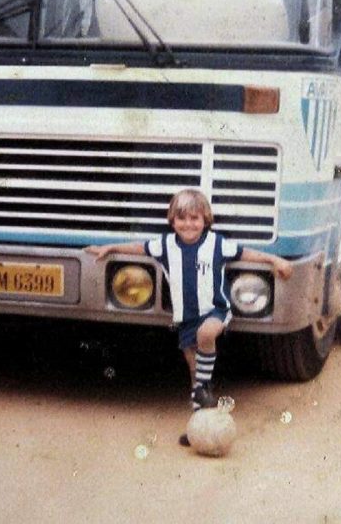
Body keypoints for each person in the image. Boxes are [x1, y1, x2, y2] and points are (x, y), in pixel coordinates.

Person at [85, 187, 293, 446]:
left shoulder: (217, 244)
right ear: (172, 221)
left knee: (206, 335)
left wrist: (276, 261)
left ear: (205, 220)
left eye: (195, 219)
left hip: (215, 310)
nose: (188, 224)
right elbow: (139, 247)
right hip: (186, 318)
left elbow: (247, 253)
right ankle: (199, 425)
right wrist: (110, 247)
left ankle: (204, 388)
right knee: (194, 372)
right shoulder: (166, 245)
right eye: (182, 219)